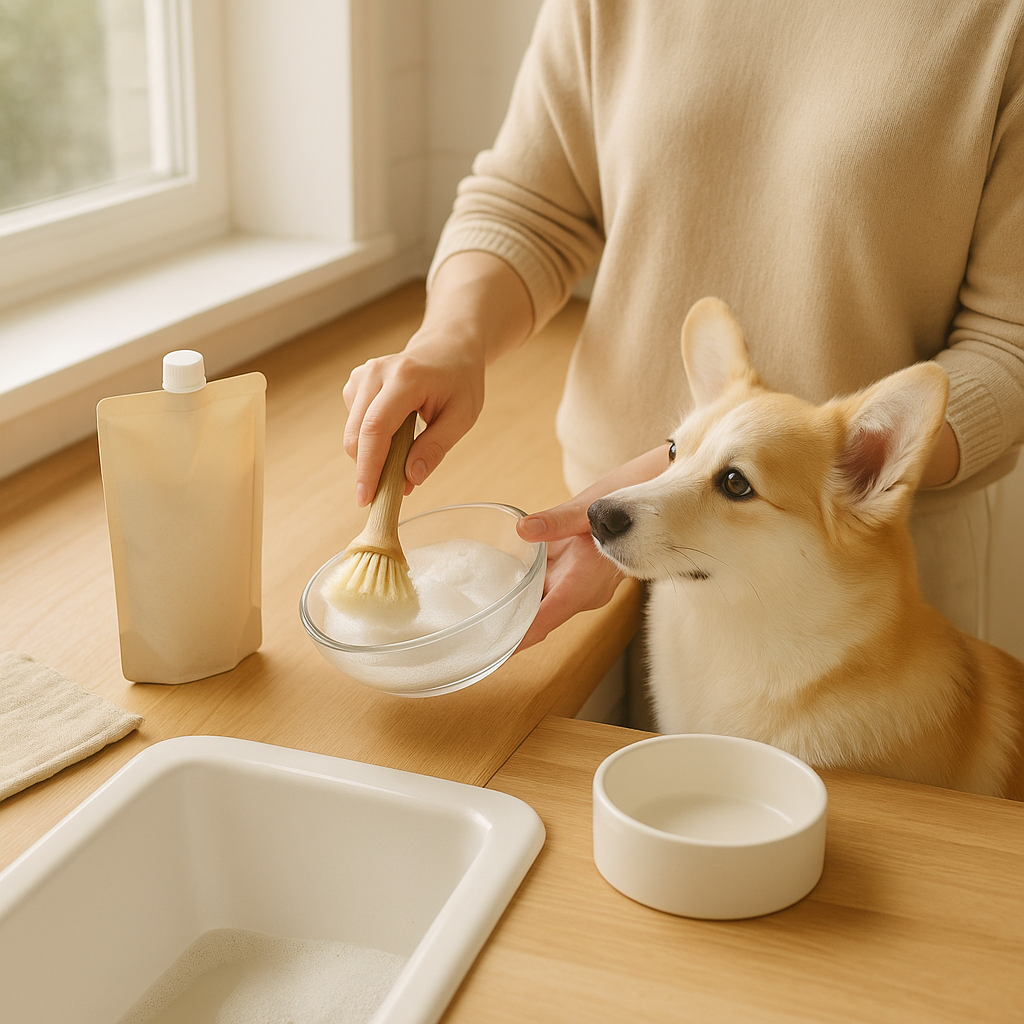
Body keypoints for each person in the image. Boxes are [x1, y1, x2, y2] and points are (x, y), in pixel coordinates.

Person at [343, 1, 1024, 657]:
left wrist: (708, 473)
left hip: (853, 601)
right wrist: (451, 340)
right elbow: (529, 202)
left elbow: (1009, 343)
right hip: (603, 551)